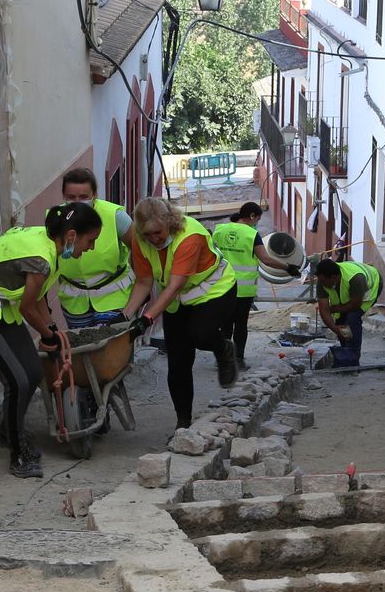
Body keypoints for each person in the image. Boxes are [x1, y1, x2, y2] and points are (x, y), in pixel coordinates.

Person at [0, 202, 103, 478]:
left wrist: (50, 330)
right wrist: (50, 335)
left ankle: (6, 430)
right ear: (72, 235)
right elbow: (28, 308)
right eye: (90, 241)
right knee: (17, 380)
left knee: (33, 371)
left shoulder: (46, 243)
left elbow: (37, 300)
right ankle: (18, 456)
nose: (91, 248)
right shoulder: (42, 258)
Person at [125, 197, 238, 428]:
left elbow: (175, 284)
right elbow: (144, 283)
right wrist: (125, 316)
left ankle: (224, 348)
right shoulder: (140, 240)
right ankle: (183, 422)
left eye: (157, 232)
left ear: (170, 221)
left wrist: (147, 319)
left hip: (212, 288)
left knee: (201, 333)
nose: (153, 239)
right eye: (147, 234)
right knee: (178, 363)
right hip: (178, 298)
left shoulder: (189, 236)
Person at [211, 202, 296, 369]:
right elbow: (266, 259)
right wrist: (288, 267)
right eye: (257, 218)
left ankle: (223, 360)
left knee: (225, 325)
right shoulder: (252, 234)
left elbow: (211, 255)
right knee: (240, 325)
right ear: (251, 216)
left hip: (221, 287)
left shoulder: (220, 230)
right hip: (243, 289)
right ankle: (239, 360)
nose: (257, 222)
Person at [55, 168, 136, 329]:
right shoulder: (54, 220)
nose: (77, 201)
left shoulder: (115, 216)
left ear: (94, 195)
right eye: (71, 197)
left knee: (110, 349)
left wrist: (141, 287)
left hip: (114, 296)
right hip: (74, 301)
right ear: (64, 196)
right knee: (83, 349)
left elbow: (139, 250)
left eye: (83, 197)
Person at [314, 258, 382, 367]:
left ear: (333, 277)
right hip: (352, 293)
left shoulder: (355, 278)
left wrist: (334, 309)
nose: (321, 283)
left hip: (372, 285)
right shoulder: (323, 280)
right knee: (340, 322)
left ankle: (353, 359)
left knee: (352, 318)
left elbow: (354, 305)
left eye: (323, 281)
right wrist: (335, 328)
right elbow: (324, 310)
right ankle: (345, 354)